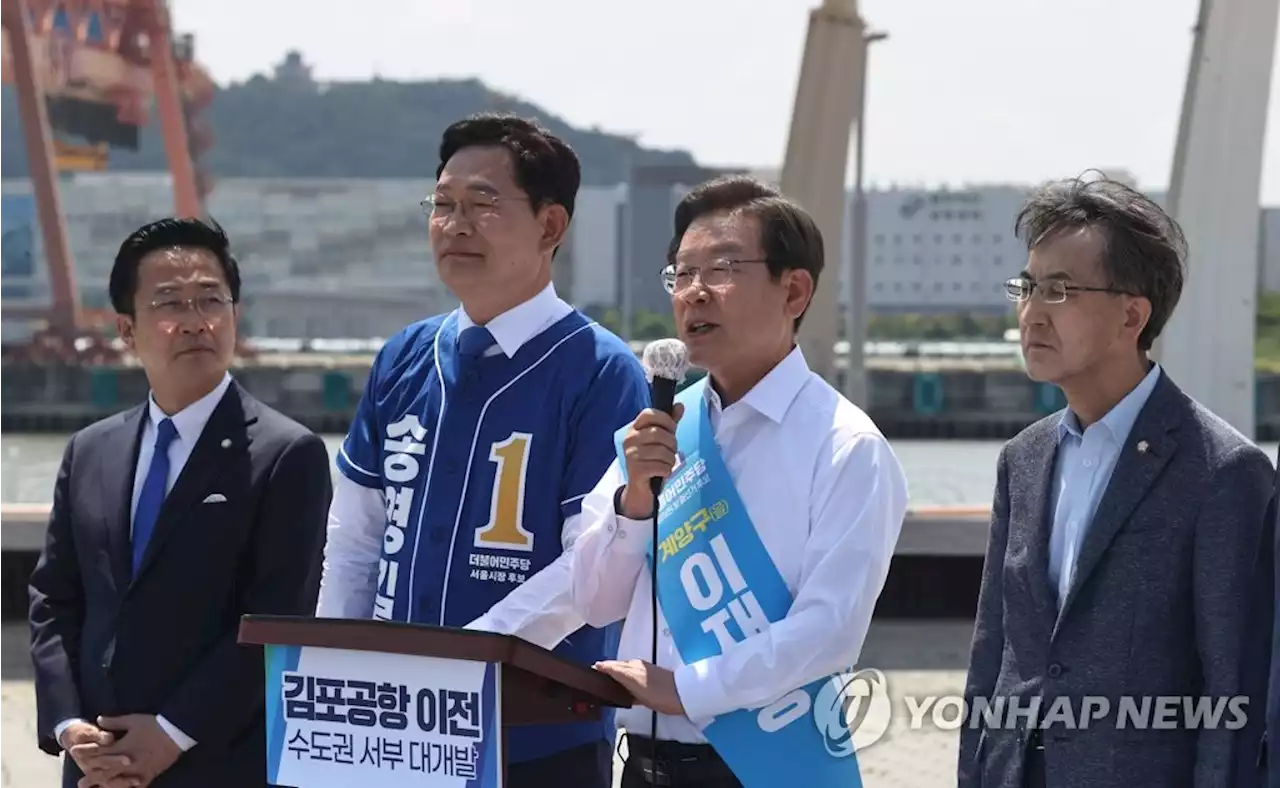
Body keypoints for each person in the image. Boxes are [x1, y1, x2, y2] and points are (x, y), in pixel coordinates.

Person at [314, 113, 649, 787]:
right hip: (390, 729)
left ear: (550, 227)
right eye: (442, 205)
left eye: (482, 205)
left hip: (536, 736)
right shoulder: (403, 357)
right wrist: (330, 672)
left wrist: (467, 663)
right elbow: (355, 540)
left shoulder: (600, 371)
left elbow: (590, 566)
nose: (454, 224)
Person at [563, 175, 910, 788]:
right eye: (681, 274)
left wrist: (689, 689)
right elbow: (594, 599)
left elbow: (829, 631)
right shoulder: (659, 433)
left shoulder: (845, 446)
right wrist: (634, 503)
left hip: (765, 768)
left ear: (794, 290)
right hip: (643, 764)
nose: (695, 293)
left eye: (721, 269)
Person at [957, 174, 1275, 788]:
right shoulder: (1022, 459)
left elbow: (1236, 691)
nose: (1031, 312)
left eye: (1059, 290)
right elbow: (993, 653)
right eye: (1027, 287)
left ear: (1132, 314)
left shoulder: (1223, 472)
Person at [28, 217, 333, 788]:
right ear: (126, 328)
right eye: (170, 303)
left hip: (217, 763)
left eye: (211, 300)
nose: (196, 321)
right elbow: (55, 597)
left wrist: (171, 732)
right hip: (96, 764)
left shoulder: (287, 454)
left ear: (235, 316)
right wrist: (69, 724)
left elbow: (278, 620)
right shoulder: (91, 450)